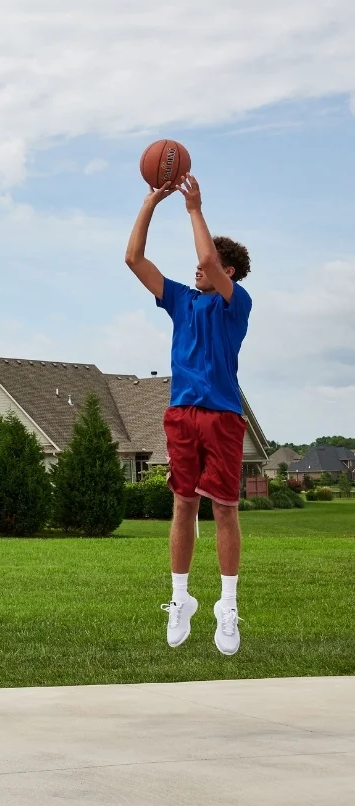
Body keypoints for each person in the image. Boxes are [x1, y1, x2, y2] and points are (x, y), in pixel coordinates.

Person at [125, 173, 252, 655]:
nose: (199, 268)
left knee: (224, 508)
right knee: (182, 505)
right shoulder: (181, 300)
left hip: (221, 416)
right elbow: (133, 259)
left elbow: (204, 257)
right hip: (181, 414)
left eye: (213, 266)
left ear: (229, 272)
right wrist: (149, 203)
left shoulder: (235, 303)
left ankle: (228, 604)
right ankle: (181, 598)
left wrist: (194, 208)